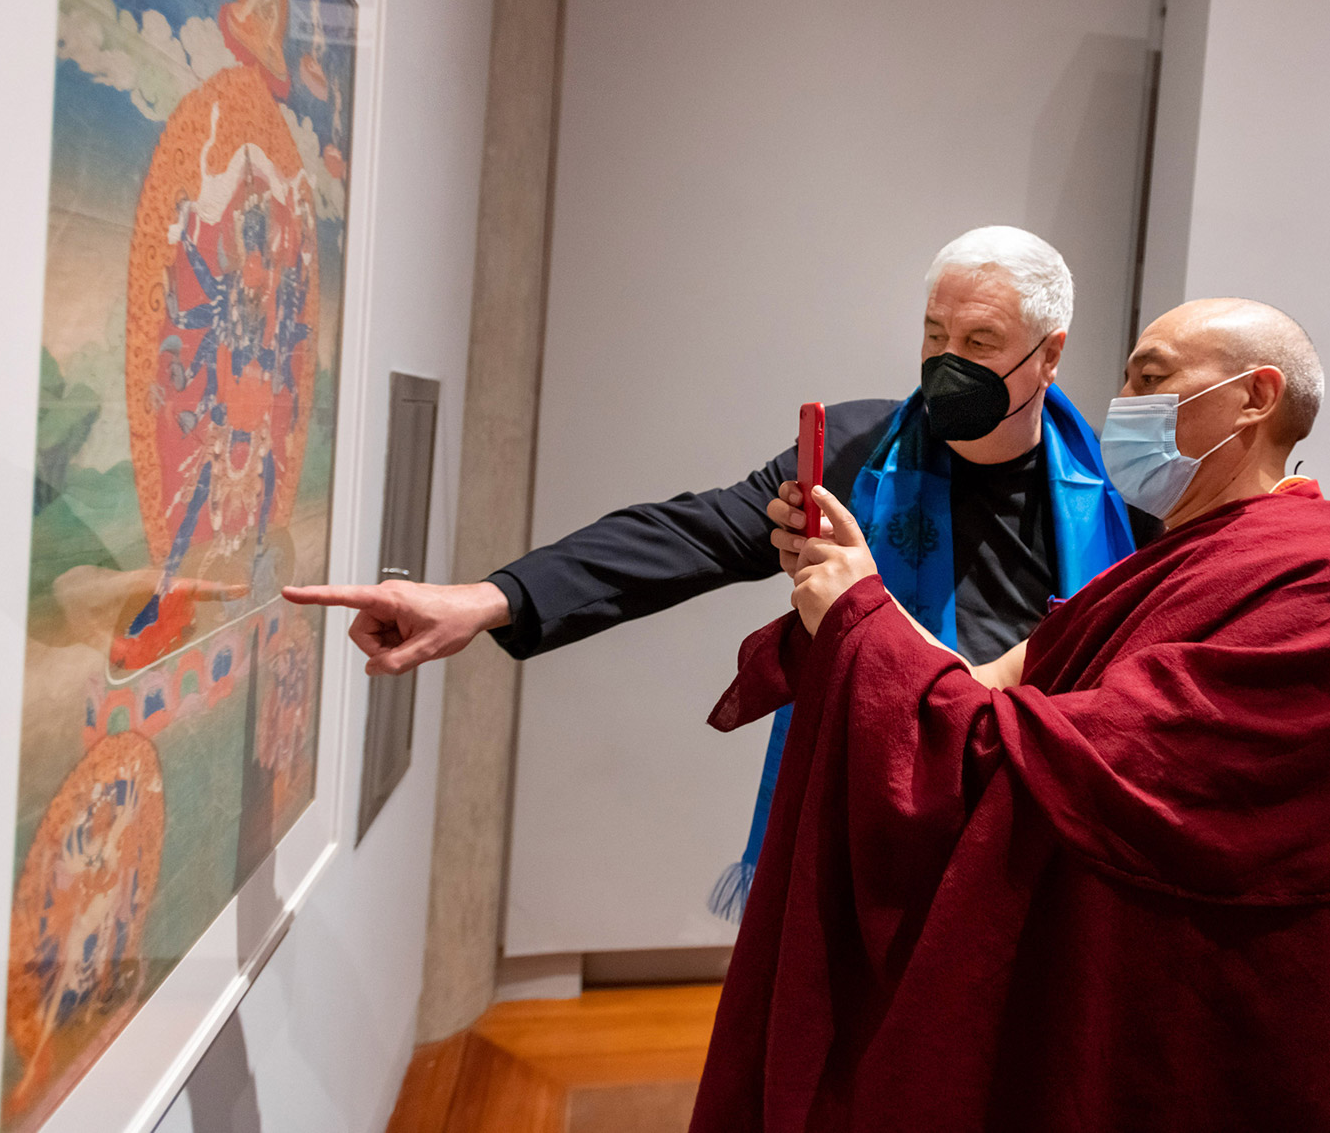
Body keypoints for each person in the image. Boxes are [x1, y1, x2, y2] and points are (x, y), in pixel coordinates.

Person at [693, 298, 1330, 1132]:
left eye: (1152, 380)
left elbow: (1087, 760)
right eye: (1124, 380)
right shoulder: (1178, 561)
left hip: (1210, 1010)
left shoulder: (1329, 582)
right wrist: (851, 588)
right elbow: (985, 685)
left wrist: (858, 619)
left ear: (1256, 397)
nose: (1124, 405)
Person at [283, 226, 1147, 911]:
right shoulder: (853, 450)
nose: (945, 360)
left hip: (1026, 817)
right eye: (933, 333)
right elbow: (694, 533)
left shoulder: (1119, 494)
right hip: (873, 809)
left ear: (1050, 352)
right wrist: (488, 598)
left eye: (980, 339)